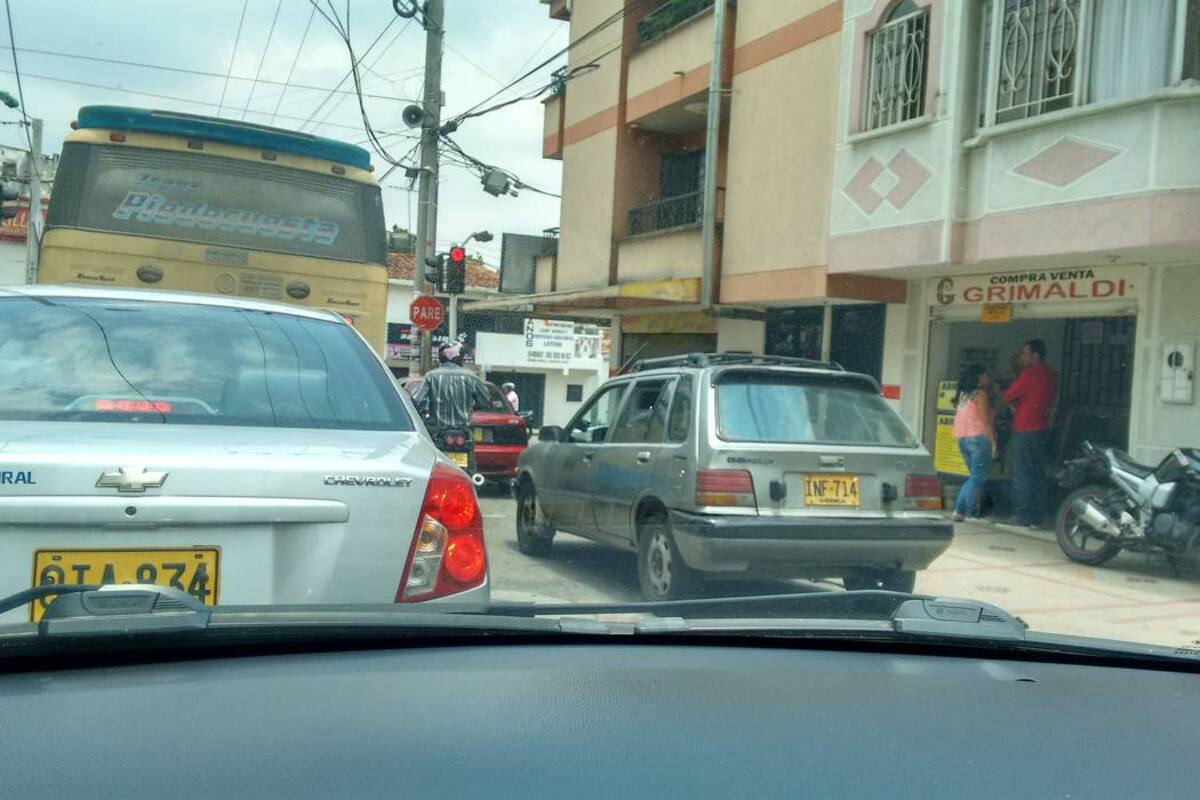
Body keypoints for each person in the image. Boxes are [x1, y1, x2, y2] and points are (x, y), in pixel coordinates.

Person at [1002, 339, 1058, 528]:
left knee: (1022, 473)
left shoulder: (1031, 373)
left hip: (1025, 428)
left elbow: (1008, 395)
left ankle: (1023, 516)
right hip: (1042, 428)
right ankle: (1037, 516)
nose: (1022, 357)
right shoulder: (1051, 374)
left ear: (1035, 356)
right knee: (1037, 473)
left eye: (1025, 353)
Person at [951, 365, 997, 523]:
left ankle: (961, 511)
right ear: (978, 377)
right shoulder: (980, 394)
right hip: (978, 439)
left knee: (973, 478)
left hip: (962, 439)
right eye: (985, 374)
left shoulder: (964, 395)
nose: (988, 377)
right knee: (977, 478)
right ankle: (967, 512)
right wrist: (993, 442)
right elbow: (985, 421)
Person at [411, 342, 491, 432]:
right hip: (464, 431)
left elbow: (417, 401)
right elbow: (485, 401)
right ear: (458, 357)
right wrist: (469, 407)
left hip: (436, 431)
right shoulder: (471, 377)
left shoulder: (431, 376)